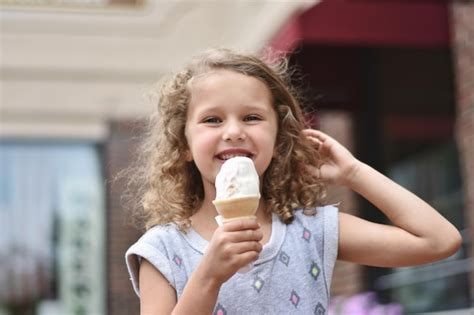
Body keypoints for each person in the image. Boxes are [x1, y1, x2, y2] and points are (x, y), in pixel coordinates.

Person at [124, 48, 462, 314]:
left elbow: (439, 240)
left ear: (278, 136)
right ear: (183, 146)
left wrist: (355, 174)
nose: (233, 131)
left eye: (252, 117)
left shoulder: (309, 230)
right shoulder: (162, 250)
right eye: (212, 119)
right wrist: (209, 276)